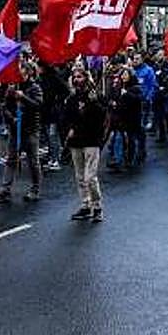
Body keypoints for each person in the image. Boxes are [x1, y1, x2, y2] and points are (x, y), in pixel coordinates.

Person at [0, 56, 44, 203]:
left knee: (33, 161)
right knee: (11, 160)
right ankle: (5, 189)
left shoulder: (35, 88)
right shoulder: (13, 88)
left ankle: (35, 189)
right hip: (15, 129)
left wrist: (24, 98)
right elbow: (5, 106)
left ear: (28, 73)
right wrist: (12, 118)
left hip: (30, 129)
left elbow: (38, 105)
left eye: (21, 71)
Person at [60, 67, 108, 223]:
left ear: (86, 78)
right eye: (74, 77)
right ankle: (86, 205)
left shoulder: (95, 96)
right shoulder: (71, 98)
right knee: (80, 176)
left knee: (90, 177)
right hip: (77, 140)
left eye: (80, 77)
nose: (76, 80)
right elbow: (67, 117)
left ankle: (97, 206)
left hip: (91, 140)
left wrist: (93, 103)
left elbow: (102, 117)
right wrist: (70, 129)